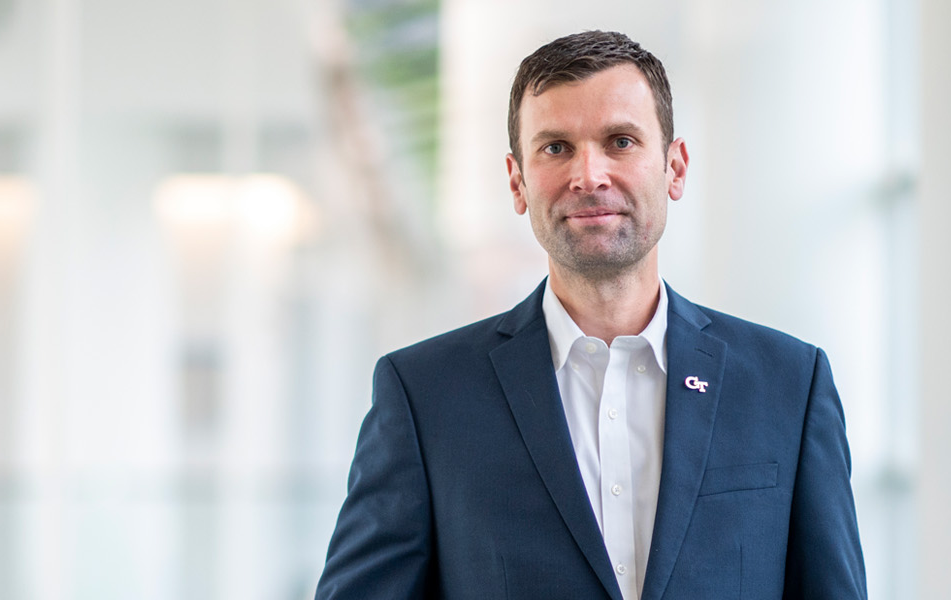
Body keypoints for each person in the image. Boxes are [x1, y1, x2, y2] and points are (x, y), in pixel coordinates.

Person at [314, 30, 866, 600]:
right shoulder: (426, 396)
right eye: (556, 148)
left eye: (621, 141)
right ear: (516, 181)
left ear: (674, 168)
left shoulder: (788, 386)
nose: (589, 176)